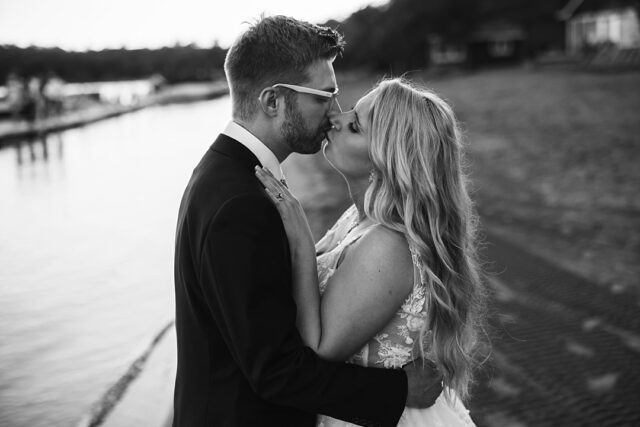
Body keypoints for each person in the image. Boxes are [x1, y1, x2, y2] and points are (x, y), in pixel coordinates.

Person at [173, 16, 443, 427]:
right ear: (272, 101)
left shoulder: (231, 176)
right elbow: (277, 369)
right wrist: (399, 391)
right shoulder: (240, 203)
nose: (334, 112)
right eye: (323, 96)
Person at [255, 78, 486, 426]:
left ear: (384, 160)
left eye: (355, 125)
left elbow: (320, 349)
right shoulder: (359, 218)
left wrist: (301, 242)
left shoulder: (388, 244)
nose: (335, 117)